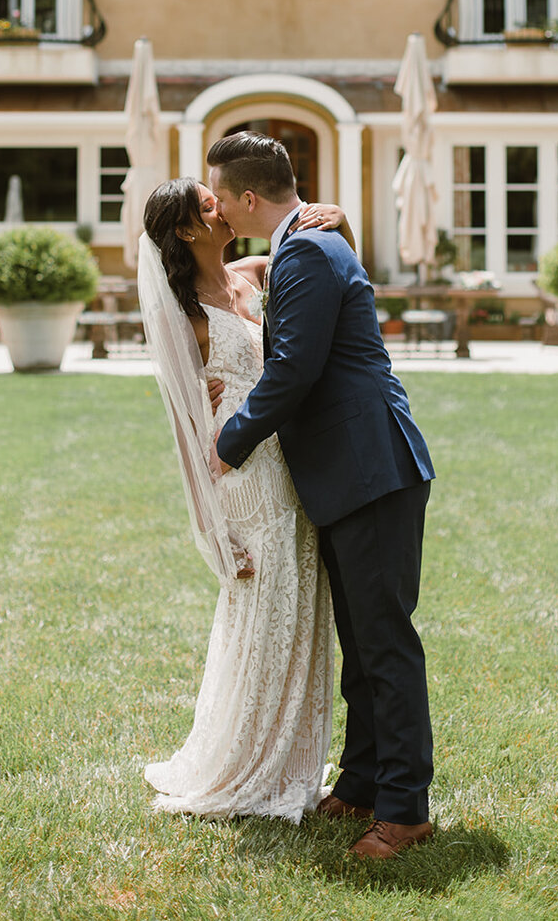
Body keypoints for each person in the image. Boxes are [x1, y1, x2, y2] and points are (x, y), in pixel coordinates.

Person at [207, 132, 435, 861]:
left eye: (220, 196)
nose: (215, 207)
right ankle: (364, 781)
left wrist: (229, 439)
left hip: (370, 468)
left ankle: (404, 809)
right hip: (351, 473)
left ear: (248, 198)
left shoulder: (308, 249)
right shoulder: (308, 242)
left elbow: (296, 369)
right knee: (363, 645)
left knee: (385, 644)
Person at [137, 178, 352, 823]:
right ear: (184, 230)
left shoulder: (251, 275)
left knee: (299, 607)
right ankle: (245, 761)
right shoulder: (188, 318)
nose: (223, 208)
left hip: (288, 463)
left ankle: (292, 759)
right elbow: (184, 432)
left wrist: (337, 217)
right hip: (242, 477)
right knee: (263, 607)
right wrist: (213, 531)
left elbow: (332, 259)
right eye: (208, 205)